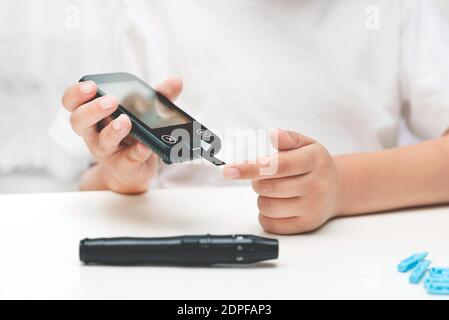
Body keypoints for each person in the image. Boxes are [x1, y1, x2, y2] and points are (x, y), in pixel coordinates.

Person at [61, 0, 449, 234]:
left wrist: (342, 187)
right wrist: (123, 177)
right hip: (180, 261)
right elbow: (89, 194)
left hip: (350, 256)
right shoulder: (150, 11)